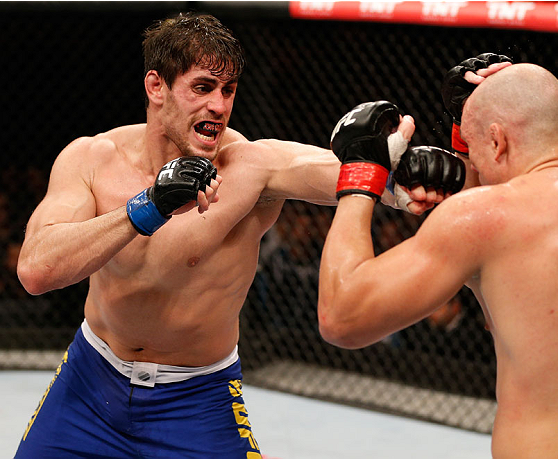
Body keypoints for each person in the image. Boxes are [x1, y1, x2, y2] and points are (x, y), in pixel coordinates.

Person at [13, 12, 464, 458]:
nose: (219, 106)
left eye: (228, 90)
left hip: (196, 400)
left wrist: (401, 174)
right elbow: (36, 270)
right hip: (90, 383)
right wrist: (147, 207)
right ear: (156, 87)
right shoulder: (92, 158)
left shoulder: (253, 167)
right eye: (203, 87)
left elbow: (350, 173)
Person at [317, 57, 558, 457]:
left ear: (497, 141)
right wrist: (467, 131)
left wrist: (360, 175)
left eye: (472, 149)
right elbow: (512, 306)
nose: (470, 166)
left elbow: (342, 318)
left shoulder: (486, 218)